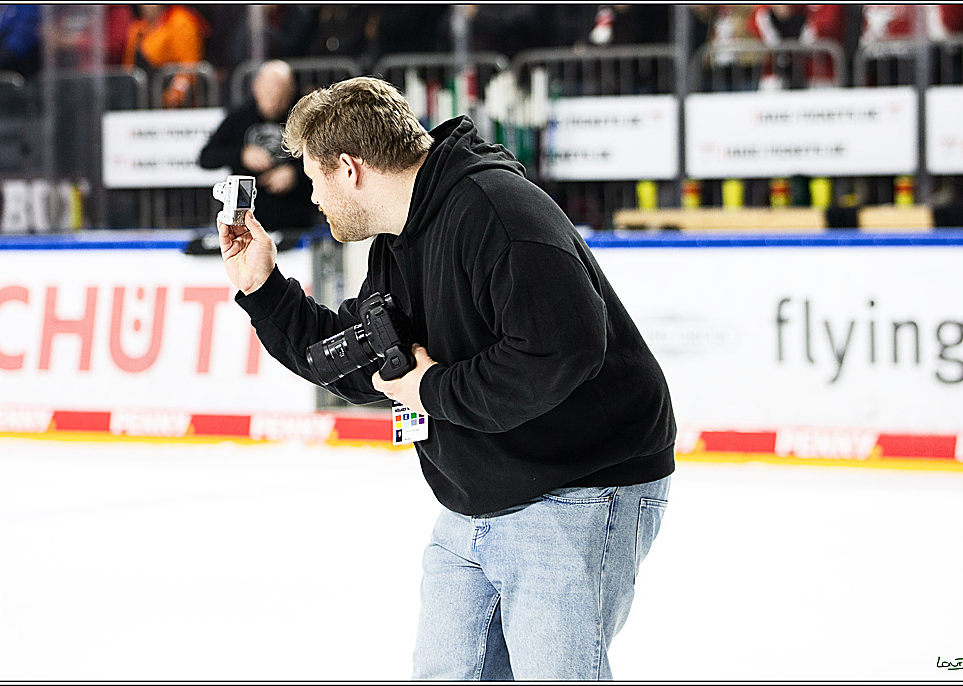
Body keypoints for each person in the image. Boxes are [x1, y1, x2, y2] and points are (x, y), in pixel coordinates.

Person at [215, 76, 676, 679]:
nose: (313, 199)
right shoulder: (397, 239)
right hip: (475, 497)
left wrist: (431, 390)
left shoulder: (498, 212)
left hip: (578, 487)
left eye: (314, 179)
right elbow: (357, 360)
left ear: (349, 169)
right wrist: (263, 289)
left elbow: (562, 351)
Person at [199, 60, 316, 233]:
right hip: (248, 221)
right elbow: (206, 157)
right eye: (269, 94)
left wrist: (296, 174)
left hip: (295, 220)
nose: (274, 102)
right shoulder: (239, 118)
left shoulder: (305, 118)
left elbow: (327, 159)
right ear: (256, 87)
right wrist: (241, 155)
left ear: (291, 91)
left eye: (281, 96)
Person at [122, 4, 210, 108]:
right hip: (143, 100)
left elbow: (189, 67)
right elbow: (128, 68)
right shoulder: (138, 27)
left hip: (171, 103)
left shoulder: (181, 22)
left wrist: (175, 95)